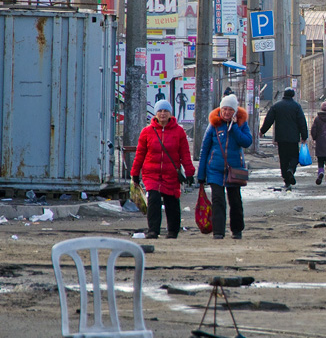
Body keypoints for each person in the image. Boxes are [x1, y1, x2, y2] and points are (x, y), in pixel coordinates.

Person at [131, 100, 195, 239]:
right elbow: (140, 154)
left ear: (170, 113)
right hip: (151, 174)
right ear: (155, 113)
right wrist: (135, 173)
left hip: (171, 174)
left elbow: (185, 154)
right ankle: (153, 230)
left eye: (165, 111)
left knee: (171, 202)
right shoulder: (147, 131)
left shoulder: (179, 132)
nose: (162, 114)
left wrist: (190, 172)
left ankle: (173, 231)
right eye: (160, 111)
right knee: (153, 200)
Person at [198, 93, 252, 239]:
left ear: (235, 112)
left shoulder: (241, 124)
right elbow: (204, 150)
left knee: (235, 201)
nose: (227, 113)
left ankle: (237, 230)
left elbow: (246, 142)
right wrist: (201, 174)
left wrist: (234, 127)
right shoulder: (214, 125)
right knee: (218, 201)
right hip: (215, 170)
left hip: (234, 170)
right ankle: (218, 232)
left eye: (230, 110)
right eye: (224, 109)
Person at [260, 88, 309, 190]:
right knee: (294, 157)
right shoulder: (296, 107)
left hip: (281, 138)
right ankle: (291, 169)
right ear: (293, 95)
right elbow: (302, 122)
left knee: (283, 159)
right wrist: (304, 136)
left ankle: (286, 181)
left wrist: (262, 131)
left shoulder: (277, 106)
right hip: (293, 138)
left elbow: (268, 119)